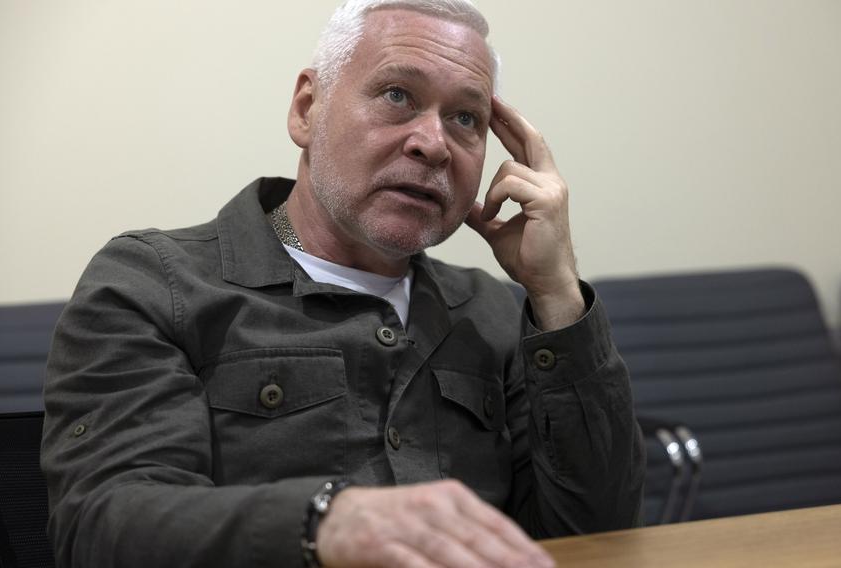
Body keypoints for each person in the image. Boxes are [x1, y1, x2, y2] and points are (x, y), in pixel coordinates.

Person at [41, 0, 645, 566]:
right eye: (397, 95)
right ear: (307, 109)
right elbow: (101, 524)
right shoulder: (156, 284)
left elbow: (597, 533)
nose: (432, 144)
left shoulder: (489, 313)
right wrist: (324, 522)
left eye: (466, 118)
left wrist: (557, 292)